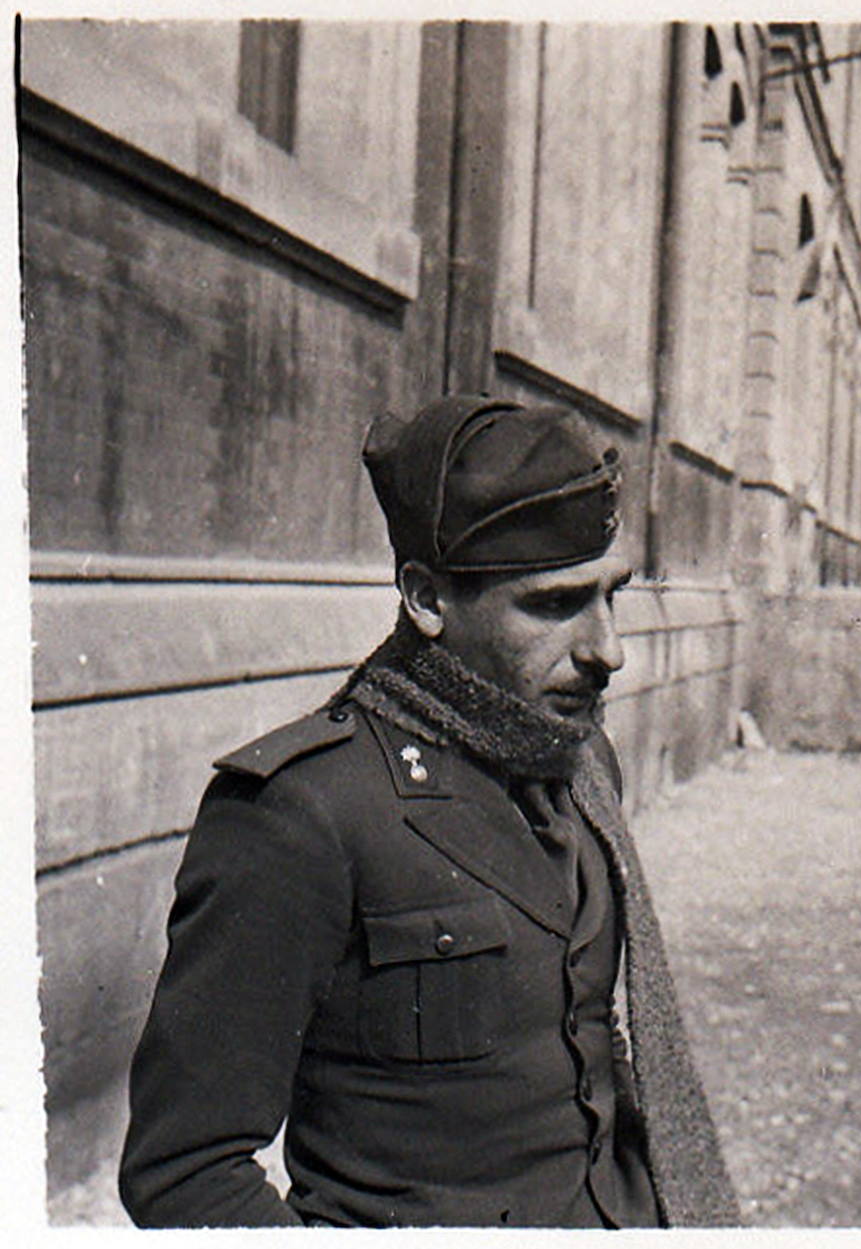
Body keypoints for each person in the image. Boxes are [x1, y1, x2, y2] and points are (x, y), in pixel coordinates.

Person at [119, 395, 739, 1229]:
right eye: (554, 605)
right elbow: (185, 1172)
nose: (608, 650)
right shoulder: (302, 812)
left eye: (611, 597)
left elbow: (581, 1041)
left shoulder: (580, 760)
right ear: (426, 598)